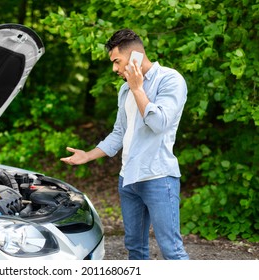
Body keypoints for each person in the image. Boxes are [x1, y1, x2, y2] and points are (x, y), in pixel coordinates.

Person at [60, 28, 189, 260]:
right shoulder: (124, 89)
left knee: (172, 250)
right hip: (128, 180)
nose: (114, 69)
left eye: (117, 61)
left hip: (158, 178)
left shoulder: (170, 80)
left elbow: (159, 123)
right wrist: (87, 155)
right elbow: (119, 133)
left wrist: (138, 88)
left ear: (135, 56)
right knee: (135, 248)